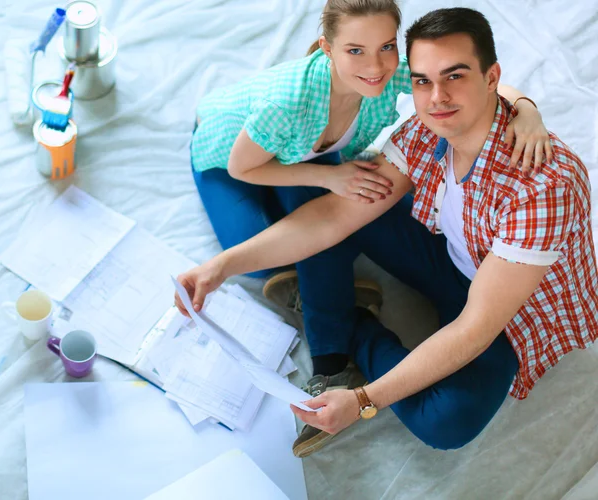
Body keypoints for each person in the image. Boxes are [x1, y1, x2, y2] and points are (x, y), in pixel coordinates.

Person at [177, 7, 598, 457]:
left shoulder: (543, 188)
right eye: (422, 81)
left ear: (491, 77)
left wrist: (363, 401)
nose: (437, 97)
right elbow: (332, 217)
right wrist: (221, 267)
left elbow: (475, 327)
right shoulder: (424, 131)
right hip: (450, 258)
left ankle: (352, 328)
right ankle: (332, 346)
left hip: (510, 314)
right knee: (337, 191)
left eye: (455, 76)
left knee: (447, 423)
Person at [190, 0, 550, 305]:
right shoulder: (285, 104)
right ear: (327, 48)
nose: (375, 66)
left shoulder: (389, 74)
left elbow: (470, 77)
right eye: (355, 51)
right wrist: (328, 176)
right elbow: (242, 168)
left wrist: (526, 108)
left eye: (386, 46)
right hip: (228, 160)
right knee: (260, 267)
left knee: (338, 216)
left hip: (301, 152)